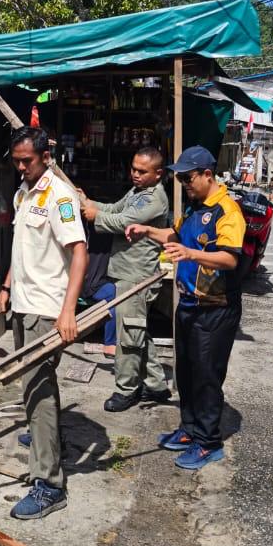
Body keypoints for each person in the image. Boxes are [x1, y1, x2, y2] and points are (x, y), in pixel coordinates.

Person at [126, 145, 246, 472]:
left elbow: (230, 258)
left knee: (207, 375)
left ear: (208, 174)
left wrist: (192, 255)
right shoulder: (194, 207)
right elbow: (175, 235)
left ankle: (208, 443)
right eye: (180, 179)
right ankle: (189, 430)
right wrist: (148, 231)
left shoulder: (227, 211)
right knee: (187, 372)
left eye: (188, 178)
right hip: (190, 302)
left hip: (216, 307)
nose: (184, 184)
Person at [0, 126, 86, 520]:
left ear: (45, 157)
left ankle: (49, 483)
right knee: (33, 388)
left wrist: (67, 311)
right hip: (23, 303)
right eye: (16, 161)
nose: (20, 167)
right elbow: (23, 248)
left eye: (26, 161)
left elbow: (78, 253)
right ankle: (42, 440)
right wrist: (6, 286)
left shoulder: (59, 197)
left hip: (46, 309)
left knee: (40, 389)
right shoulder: (23, 193)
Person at [80, 146, 172, 412]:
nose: (135, 174)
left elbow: (123, 221)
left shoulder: (154, 198)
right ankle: (156, 384)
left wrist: (96, 215)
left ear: (158, 174)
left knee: (127, 337)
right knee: (136, 331)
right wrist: (89, 203)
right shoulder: (137, 192)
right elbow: (114, 208)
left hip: (137, 276)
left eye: (142, 171)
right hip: (125, 272)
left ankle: (126, 389)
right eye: (133, 169)